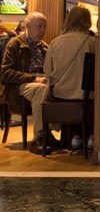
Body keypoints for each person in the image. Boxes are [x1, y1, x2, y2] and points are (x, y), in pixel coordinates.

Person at [0, 12, 57, 152]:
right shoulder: (15, 44)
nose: (43, 30)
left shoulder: (45, 47)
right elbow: (6, 73)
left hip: (41, 82)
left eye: (45, 27)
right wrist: (33, 78)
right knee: (40, 89)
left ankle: (51, 132)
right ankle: (38, 137)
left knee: (59, 89)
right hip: (19, 85)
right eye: (39, 26)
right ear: (27, 26)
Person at [44, 6, 96, 150]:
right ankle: (91, 136)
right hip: (88, 96)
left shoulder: (55, 42)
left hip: (61, 95)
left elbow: (47, 71)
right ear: (87, 21)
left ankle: (74, 136)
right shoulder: (93, 42)